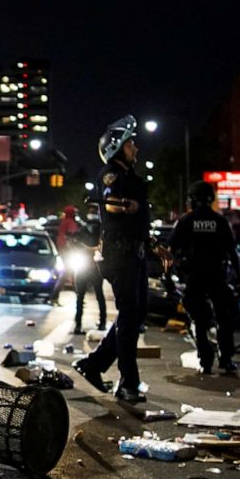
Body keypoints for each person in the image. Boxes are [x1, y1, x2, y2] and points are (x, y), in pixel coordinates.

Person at [72, 115, 151, 403]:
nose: (136, 148)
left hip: (135, 251)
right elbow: (111, 202)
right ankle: (129, 382)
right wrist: (124, 207)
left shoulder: (131, 177)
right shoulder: (112, 175)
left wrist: (154, 244)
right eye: (131, 143)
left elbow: (138, 218)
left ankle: (93, 364)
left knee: (136, 314)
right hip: (120, 254)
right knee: (130, 317)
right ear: (118, 147)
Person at [167, 181, 240, 374]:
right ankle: (226, 359)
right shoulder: (220, 221)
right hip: (217, 276)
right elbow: (232, 252)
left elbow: (170, 251)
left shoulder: (185, 221)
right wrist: (239, 278)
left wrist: (168, 277)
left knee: (199, 320)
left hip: (194, 277)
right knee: (223, 319)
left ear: (192, 199)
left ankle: (205, 359)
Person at [71, 204, 106, 335]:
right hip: (83, 266)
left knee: (99, 295)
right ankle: (78, 324)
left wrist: (90, 249)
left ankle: (102, 323)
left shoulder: (102, 230)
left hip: (96, 266)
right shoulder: (83, 229)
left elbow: (103, 246)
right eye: (90, 211)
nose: (92, 214)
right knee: (80, 296)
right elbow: (74, 243)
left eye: (94, 211)